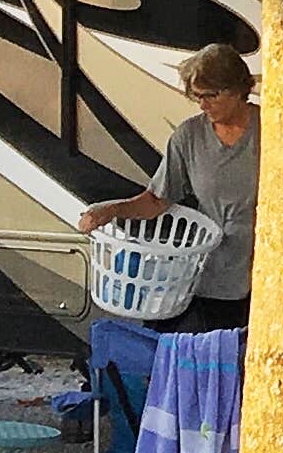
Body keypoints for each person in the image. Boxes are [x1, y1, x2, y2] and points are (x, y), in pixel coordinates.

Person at [81, 42, 260, 329]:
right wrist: (111, 210)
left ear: (238, 89)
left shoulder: (269, 129)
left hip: (263, 275)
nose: (203, 105)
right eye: (197, 97)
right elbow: (156, 200)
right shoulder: (189, 136)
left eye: (211, 95)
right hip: (210, 276)